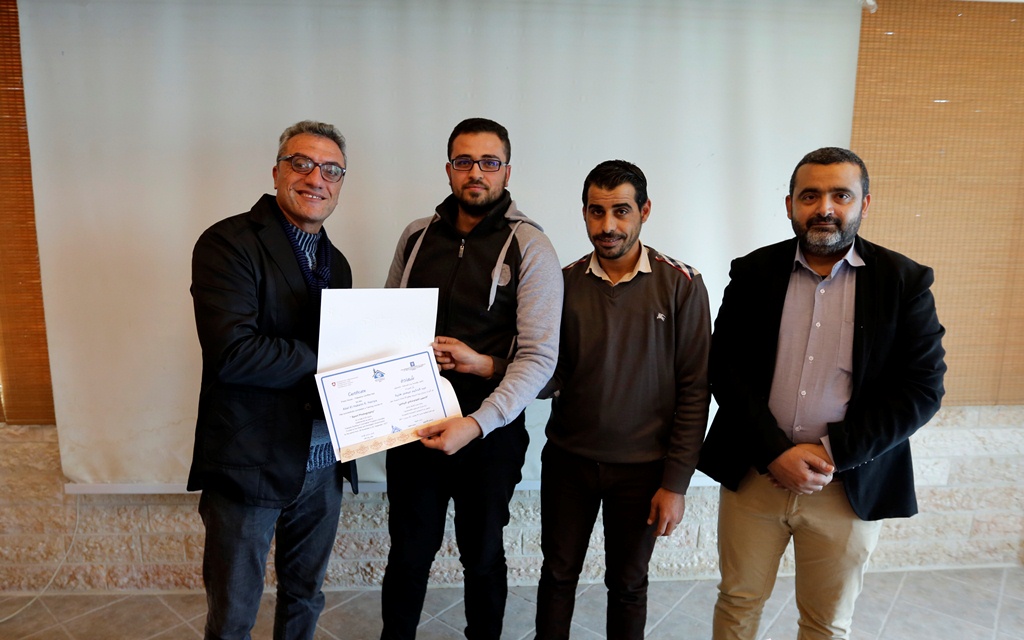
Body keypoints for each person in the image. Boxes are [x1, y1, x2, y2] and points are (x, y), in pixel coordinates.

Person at [698, 147, 946, 640]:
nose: (824, 208)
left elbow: (923, 388)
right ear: (790, 204)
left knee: (826, 622)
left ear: (864, 204)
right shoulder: (752, 273)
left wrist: (832, 453)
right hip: (756, 475)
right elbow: (724, 369)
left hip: (848, 485)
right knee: (738, 602)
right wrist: (775, 453)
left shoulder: (904, 282)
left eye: (841, 195)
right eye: (810, 196)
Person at [381, 117, 563, 639]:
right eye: (464, 162)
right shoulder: (416, 237)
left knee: (482, 554)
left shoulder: (531, 246)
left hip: (490, 434)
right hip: (414, 427)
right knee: (408, 552)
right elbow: (387, 326)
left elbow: (540, 358)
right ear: (449, 169)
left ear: (507, 171)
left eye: (489, 162)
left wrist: (478, 419)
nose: (476, 173)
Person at [189, 120, 357, 640]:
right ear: (277, 171)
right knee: (233, 616)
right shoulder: (228, 243)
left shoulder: (337, 263)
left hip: (323, 463)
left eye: (331, 170)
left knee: (305, 598)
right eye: (301, 163)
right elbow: (233, 353)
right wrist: (337, 357)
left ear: (340, 183)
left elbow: (345, 364)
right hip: (249, 464)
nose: (316, 178)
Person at [534, 160, 712, 639]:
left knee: (628, 584)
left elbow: (696, 389)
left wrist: (676, 483)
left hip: (644, 470)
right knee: (556, 576)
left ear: (644, 211)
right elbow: (549, 371)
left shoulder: (683, 284)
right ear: (584, 213)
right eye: (596, 212)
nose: (607, 225)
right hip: (568, 461)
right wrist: (498, 370)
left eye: (621, 211)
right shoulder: (562, 282)